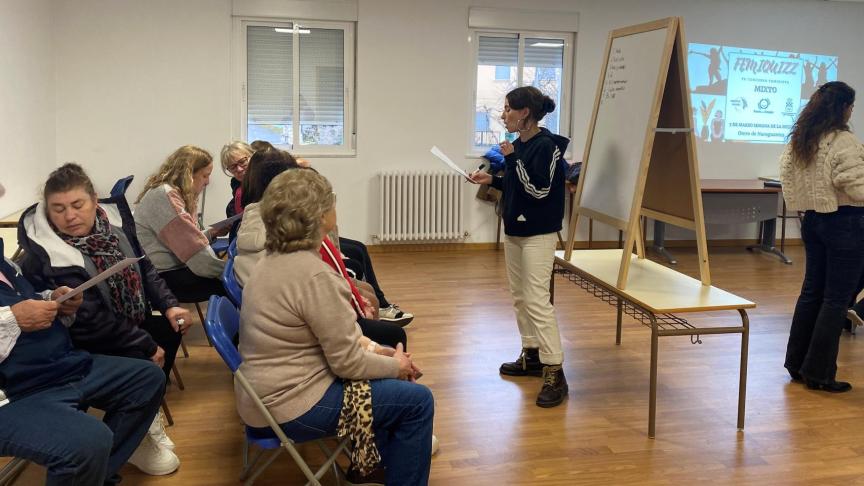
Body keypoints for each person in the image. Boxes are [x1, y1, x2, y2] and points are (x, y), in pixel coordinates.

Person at [238, 169, 434, 484]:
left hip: (264, 397)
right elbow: (348, 363)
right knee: (417, 401)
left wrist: (384, 353)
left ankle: (374, 463)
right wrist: (394, 365)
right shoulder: (313, 275)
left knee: (393, 391)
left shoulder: (272, 261)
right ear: (321, 216)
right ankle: (388, 468)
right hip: (291, 406)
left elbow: (340, 341)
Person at [18, 164, 188, 473]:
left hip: (122, 320)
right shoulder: (47, 256)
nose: (69, 216)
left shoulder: (113, 227)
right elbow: (91, 322)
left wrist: (169, 305)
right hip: (76, 340)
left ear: (95, 201)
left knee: (171, 328)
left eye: (77, 205)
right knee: (145, 354)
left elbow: (143, 265)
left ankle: (140, 419)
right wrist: (146, 345)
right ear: (48, 211)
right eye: (58, 209)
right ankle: (130, 433)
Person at [233, 150, 408, 350]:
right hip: (292, 338)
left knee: (364, 288)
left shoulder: (257, 218)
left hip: (274, 327)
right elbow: (323, 307)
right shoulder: (290, 236)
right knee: (391, 333)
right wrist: (377, 353)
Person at [469, 86, 570, 408]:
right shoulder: (519, 145)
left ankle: (555, 370)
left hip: (538, 233)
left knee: (538, 300)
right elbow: (517, 185)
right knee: (520, 296)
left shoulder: (547, 147)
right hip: (515, 229)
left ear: (525, 113)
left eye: (509, 109)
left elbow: (539, 191)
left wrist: (510, 161)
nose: (503, 115)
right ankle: (532, 355)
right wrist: (493, 181)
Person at [781, 81, 864, 393]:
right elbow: (856, 188)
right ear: (842, 107)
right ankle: (819, 373)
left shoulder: (802, 138)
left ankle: (797, 364)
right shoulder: (843, 141)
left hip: (813, 221)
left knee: (811, 293)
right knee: (835, 299)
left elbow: (788, 179)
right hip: (847, 223)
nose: (852, 111)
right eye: (851, 106)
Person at [135, 145, 227, 302]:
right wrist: (232, 272)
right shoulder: (165, 196)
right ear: (189, 174)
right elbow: (193, 250)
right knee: (230, 286)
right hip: (161, 277)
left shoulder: (170, 192)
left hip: (171, 268)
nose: (208, 182)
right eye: (205, 176)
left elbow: (186, 241)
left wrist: (211, 233)